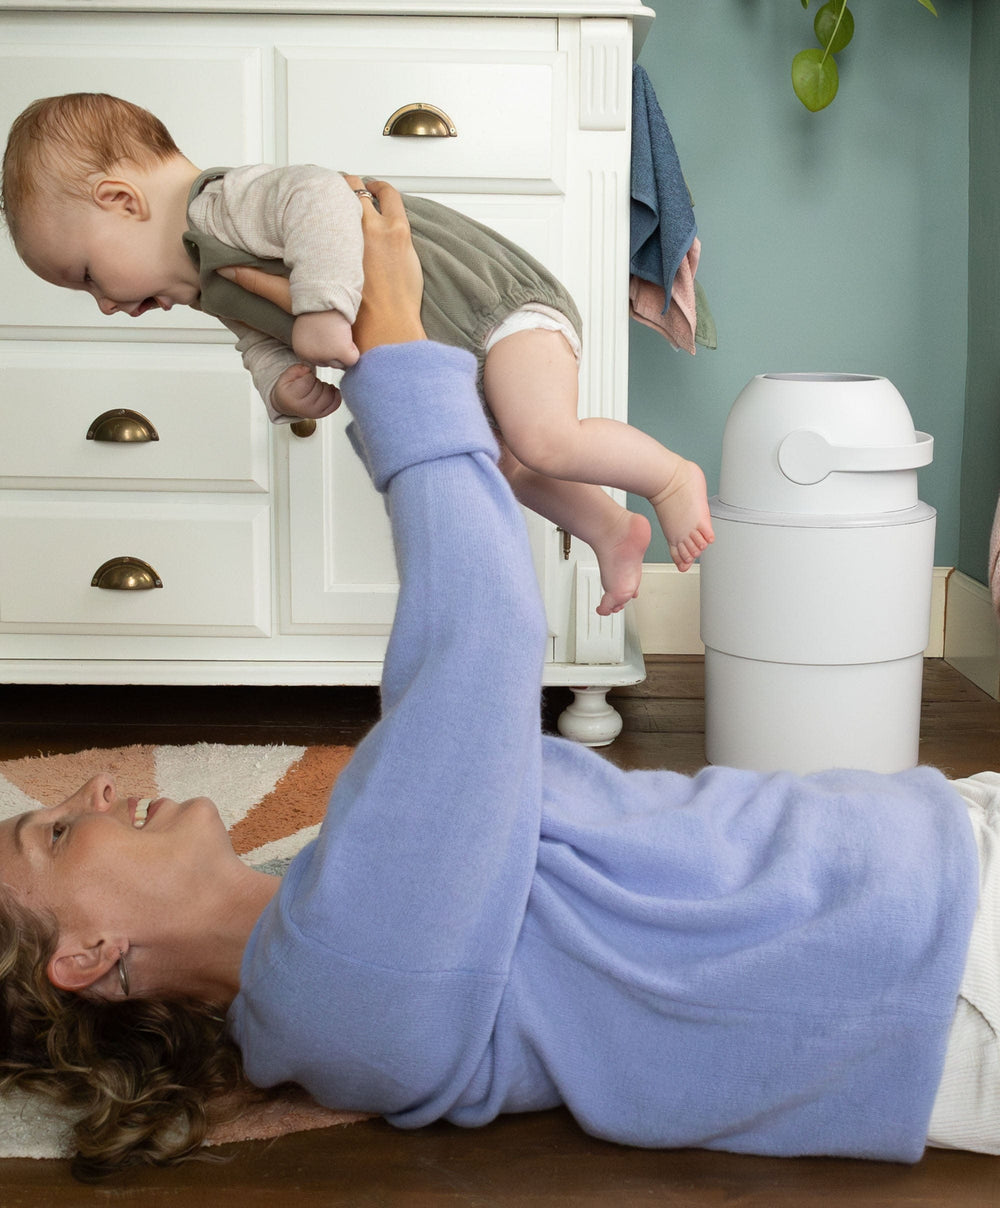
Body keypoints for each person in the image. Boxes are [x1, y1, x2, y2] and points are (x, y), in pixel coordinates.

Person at [0, 178, 997, 1184]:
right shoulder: (331, 990)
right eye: (54, 835)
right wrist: (398, 357)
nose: (95, 789)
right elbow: (478, 643)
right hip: (944, 956)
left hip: (915, 852)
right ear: (85, 954)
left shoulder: (320, 895)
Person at [0, 92, 715, 617]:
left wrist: (321, 308)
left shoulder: (220, 203)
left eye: (87, 275)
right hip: (446, 346)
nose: (103, 304)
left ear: (121, 200)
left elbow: (319, 198)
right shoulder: (204, 280)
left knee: (544, 438)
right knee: (505, 462)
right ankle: (608, 527)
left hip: (489, 306)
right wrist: (281, 381)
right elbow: (254, 334)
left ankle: (669, 478)